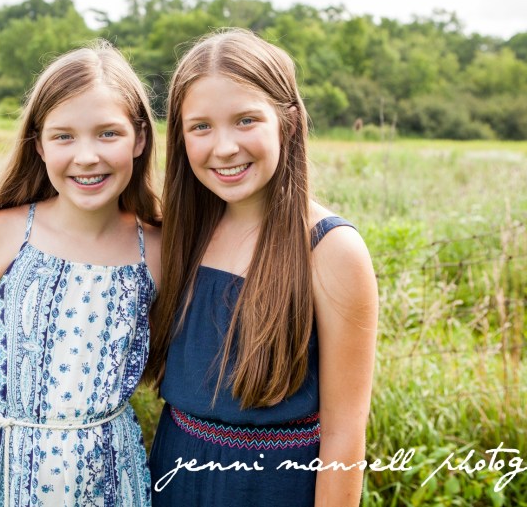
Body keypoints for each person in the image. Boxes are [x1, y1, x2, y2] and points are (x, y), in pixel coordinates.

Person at [144, 29, 378, 506]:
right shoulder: (175, 236)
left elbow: (345, 434)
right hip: (173, 477)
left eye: (246, 120)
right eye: (201, 126)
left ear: (287, 123)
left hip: (273, 488)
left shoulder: (331, 250)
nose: (224, 147)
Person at [0, 41, 162, 507]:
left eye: (108, 134)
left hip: (113, 484)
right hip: (5, 480)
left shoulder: (156, 249)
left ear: (139, 138)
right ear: (38, 144)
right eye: (64, 136)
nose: (86, 156)